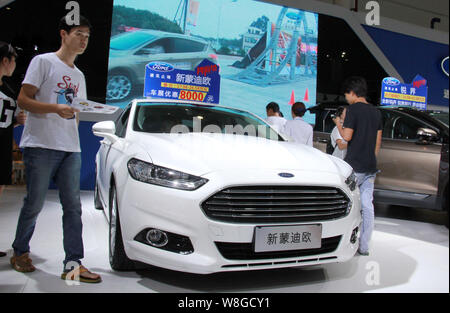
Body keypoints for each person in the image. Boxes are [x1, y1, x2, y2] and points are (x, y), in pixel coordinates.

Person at [11, 16, 101, 283]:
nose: (84, 40)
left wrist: (92, 111)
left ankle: (73, 263)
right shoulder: (43, 62)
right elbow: (23, 99)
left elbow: (76, 108)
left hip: (70, 147)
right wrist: (55, 108)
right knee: (34, 203)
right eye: (79, 34)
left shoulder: (79, 75)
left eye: (87, 36)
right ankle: (20, 251)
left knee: (73, 208)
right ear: (64, 34)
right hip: (41, 144)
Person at [332, 76, 382, 256]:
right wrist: (371, 159)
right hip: (370, 166)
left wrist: (338, 122)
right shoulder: (376, 112)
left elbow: (346, 137)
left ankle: (344, 243)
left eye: (347, 94)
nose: (346, 98)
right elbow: (378, 142)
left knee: (348, 204)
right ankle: (364, 246)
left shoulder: (353, 110)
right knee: (368, 206)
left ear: (353, 93)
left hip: (355, 166)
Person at [0, 42, 26, 258]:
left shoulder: (8, 88)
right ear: (5, 60)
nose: (15, 64)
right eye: (14, 59)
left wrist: (17, 121)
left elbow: (7, 121)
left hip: (3, 146)